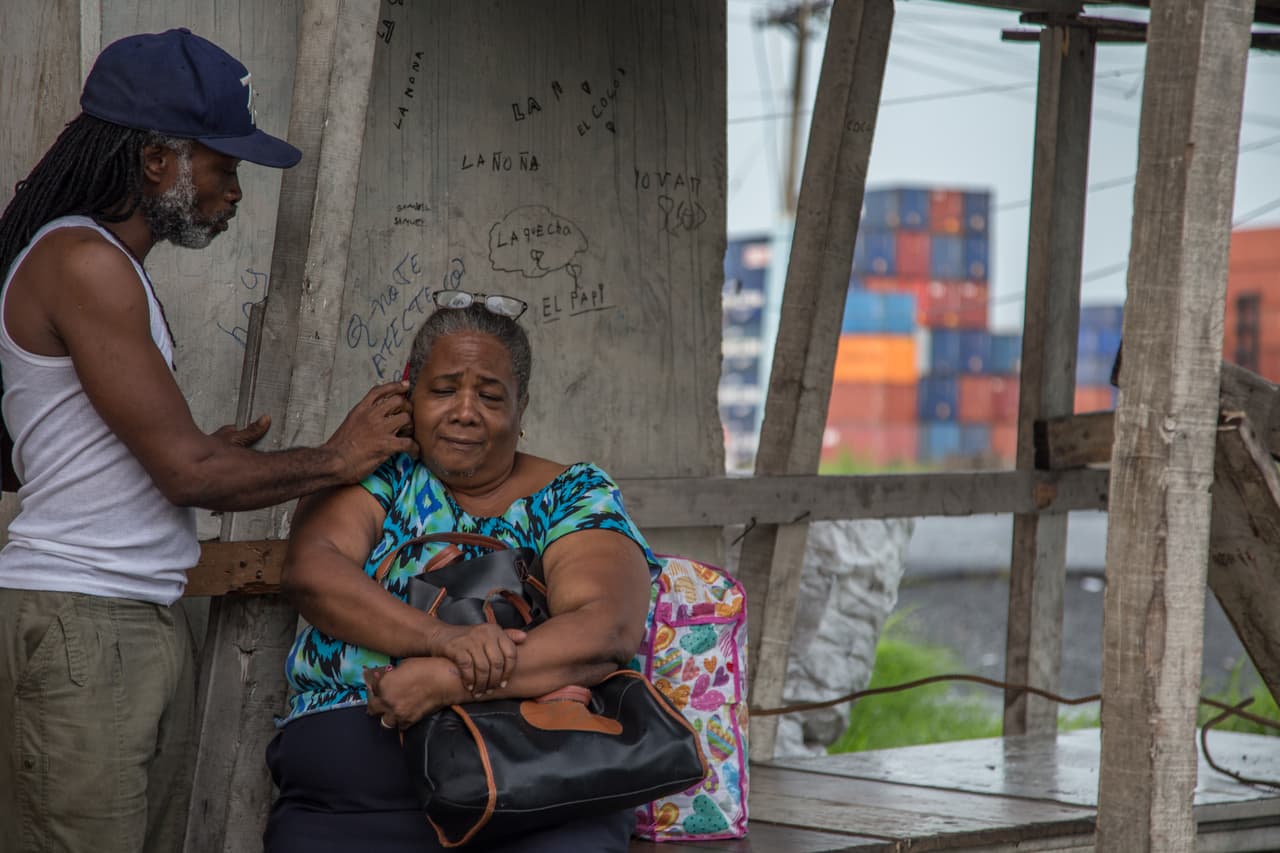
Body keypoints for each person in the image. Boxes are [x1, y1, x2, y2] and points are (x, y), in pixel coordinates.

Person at [0, 28, 417, 853]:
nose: (233, 191)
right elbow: (187, 472)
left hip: (124, 618)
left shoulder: (105, 263)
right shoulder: (84, 262)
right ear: (159, 161)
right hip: (86, 621)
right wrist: (337, 457)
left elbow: (88, 447)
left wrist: (205, 449)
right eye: (223, 166)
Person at [266, 295, 658, 853]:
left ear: (522, 407)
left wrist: (445, 680)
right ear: (410, 395)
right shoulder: (383, 477)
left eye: (491, 396)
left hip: (534, 787)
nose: (465, 411)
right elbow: (312, 571)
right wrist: (444, 639)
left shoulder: (573, 494)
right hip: (356, 796)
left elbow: (607, 628)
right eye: (444, 390)